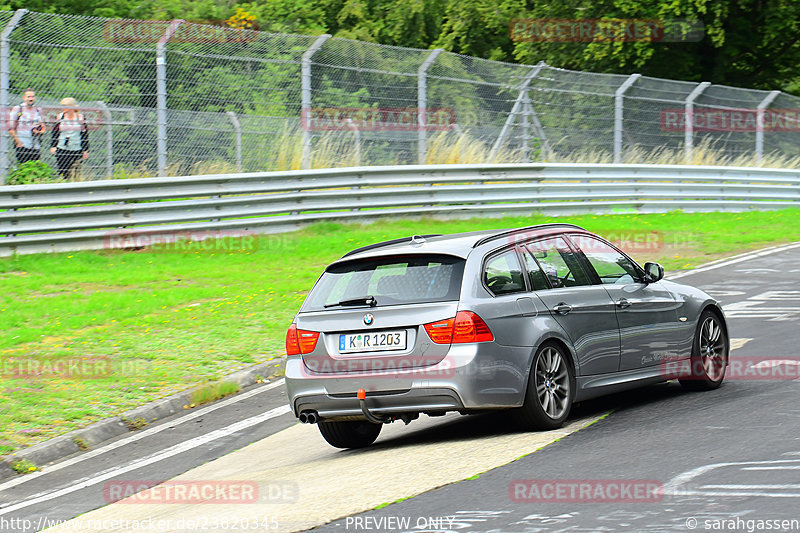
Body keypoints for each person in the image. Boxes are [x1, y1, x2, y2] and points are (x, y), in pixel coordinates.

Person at [50, 97, 89, 180]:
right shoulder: (60, 117)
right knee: (63, 173)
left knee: (75, 173)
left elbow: (85, 134)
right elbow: (55, 132)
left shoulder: (80, 117)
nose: (62, 108)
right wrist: (53, 146)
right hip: (62, 148)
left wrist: (85, 150)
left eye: (65, 106)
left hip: (76, 148)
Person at [8, 88, 46, 164]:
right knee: (23, 167)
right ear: (24, 98)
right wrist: (18, 143)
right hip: (23, 144)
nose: (31, 99)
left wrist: (39, 132)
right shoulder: (18, 109)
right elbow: (11, 128)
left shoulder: (38, 110)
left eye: (32, 97)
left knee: (35, 167)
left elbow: (43, 127)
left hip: (35, 145)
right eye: (28, 97)